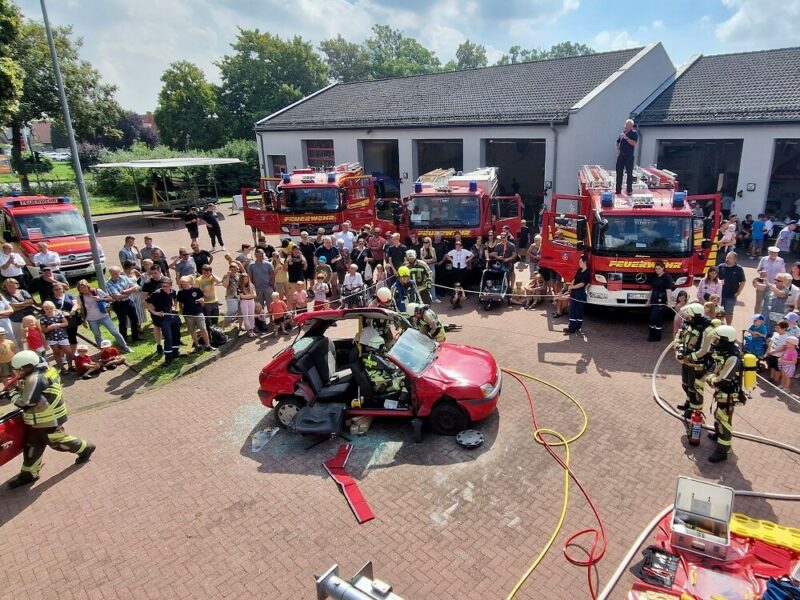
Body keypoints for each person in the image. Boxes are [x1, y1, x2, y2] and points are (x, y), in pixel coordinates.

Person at [6, 351, 95, 488]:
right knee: (32, 445)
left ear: (28, 366)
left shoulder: (35, 379)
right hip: (44, 417)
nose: (17, 372)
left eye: (20, 369)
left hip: (46, 419)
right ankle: (29, 474)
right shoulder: (46, 368)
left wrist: (11, 395)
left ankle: (86, 448)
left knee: (56, 442)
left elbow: (26, 403)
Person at [704, 325, 743, 463]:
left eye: (718, 339)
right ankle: (718, 434)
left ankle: (722, 450)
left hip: (728, 394)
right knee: (718, 416)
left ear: (726, 340)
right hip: (722, 393)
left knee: (725, 421)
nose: (716, 342)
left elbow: (723, 380)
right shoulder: (726, 352)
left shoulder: (733, 358)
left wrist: (710, 378)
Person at [675, 303, 715, 415]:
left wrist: (689, 357)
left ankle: (695, 410)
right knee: (686, 384)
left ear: (695, 315)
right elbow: (680, 335)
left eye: (688, 315)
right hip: (686, 361)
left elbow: (704, 349)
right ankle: (688, 403)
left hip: (697, 364)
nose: (686, 317)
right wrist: (679, 348)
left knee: (695, 388)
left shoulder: (706, 329)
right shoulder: (689, 324)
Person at [356, 326, 408, 404]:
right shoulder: (377, 358)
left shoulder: (367, 356)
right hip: (382, 386)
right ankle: (402, 404)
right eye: (382, 346)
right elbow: (391, 368)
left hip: (376, 384)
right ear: (379, 346)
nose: (383, 348)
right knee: (406, 381)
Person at [145, 277, 182, 364]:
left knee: (176, 335)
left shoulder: (172, 292)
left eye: (166, 286)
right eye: (163, 286)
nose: (164, 287)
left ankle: (175, 353)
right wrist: (154, 312)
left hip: (172, 315)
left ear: (171, 286)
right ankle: (168, 358)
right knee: (168, 338)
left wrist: (174, 307)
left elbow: (175, 299)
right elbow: (146, 302)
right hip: (164, 318)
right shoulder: (156, 293)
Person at [105, 266, 141, 344]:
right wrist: (129, 292)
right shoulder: (108, 283)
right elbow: (116, 297)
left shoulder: (125, 277)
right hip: (118, 304)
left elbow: (135, 287)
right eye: (113, 274)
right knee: (123, 322)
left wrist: (124, 291)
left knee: (135, 320)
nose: (115, 275)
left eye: (116, 273)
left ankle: (135, 337)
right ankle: (124, 340)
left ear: (119, 272)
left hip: (129, 301)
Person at [176, 276, 211, 351]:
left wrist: (202, 302)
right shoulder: (180, 292)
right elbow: (180, 304)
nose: (183, 285)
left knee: (203, 328)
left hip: (198, 312)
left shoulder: (196, 289)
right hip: (188, 314)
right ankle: (197, 345)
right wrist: (182, 313)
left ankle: (208, 345)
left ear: (189, 282)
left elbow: (202, 298)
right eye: (182, 284)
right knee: (192, 330)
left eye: (184, 283)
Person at [39, 300, 72, 373]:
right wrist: (50, 328)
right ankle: (62, 369)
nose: (49, 310)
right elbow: (43, 330)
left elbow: (66, 323)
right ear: (44, 309)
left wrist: (59, 325)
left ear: (53, 307)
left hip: (62, 335)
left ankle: (70, 366)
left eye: (50, 308)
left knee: (69, 352)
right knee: (56, 352)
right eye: (47, 309)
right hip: (51, 338)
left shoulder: (59, 314)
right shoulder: (43, 318)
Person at [647, 261, 674, 341]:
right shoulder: (655, 277)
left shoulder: (667, 277)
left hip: (661, 300)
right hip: (654, 299)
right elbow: (652, 289)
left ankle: (657, 336)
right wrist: (648, 300)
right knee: (652, 318)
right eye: (656, 269)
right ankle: (651, 335)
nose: (657, 270)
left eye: (659, 269)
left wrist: (669, 302)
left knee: (657, 318)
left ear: (663, 268)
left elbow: (668, 290)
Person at [563, 255, 590, 335]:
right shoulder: (579, 270)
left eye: (580, 262)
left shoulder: (587, 272)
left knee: (579, 310)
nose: (579, 263)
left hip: (580, 293)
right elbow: (574, 280)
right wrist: (570, 287)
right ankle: (571, 327)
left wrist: (572, 287)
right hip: (574, 292)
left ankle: (577, 327)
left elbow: (582, 284)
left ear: (584, 262)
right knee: (572, 309)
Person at [615, 119, 638, 195]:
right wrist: (618, 150)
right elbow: (617, 142)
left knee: (629, 173)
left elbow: (633, 143)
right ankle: (618, 190)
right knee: (619, 172)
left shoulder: (634, 133)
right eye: (625, 125)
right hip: (621, 155)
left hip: (629, 156)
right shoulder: (623, 133)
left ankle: (629, 190)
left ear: (631, 126)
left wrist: (626, 138)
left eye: (627, 125)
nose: (625, 127)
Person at [196, 264, 221, 329]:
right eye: (204, 272)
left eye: (207, 272)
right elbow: (196, 291)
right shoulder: (198, 280)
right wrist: (203, 294)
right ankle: (209, 335)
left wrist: (212, 275)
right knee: (208, 321)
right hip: (206, 303)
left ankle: (216, 333)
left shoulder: (212, 277)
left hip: (214, 301)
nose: (205, 274)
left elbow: (219, 281)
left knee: (215, 320)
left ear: (210, 272)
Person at [419, 236, 441, 301]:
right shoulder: (422, 249)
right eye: (424, 242)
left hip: (432, 266)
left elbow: (435, 259)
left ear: (429, 242)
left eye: (426, 242)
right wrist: (430, 260)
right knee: (425, 282)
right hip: (425, 267)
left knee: (432, 282)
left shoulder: (433, 249)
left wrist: (428, 260)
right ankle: (426, 298)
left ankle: (434, 298)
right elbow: (422, 260)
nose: (425, 243)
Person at [237, 273, 257, 338]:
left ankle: (252, 329)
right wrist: (250, 295)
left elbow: (254, 295)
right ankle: (248, 330)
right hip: (244, 302)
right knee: (246, 316)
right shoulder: (239, 286)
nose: (246, 280)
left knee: (251, 315)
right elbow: (242, 296)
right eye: (244, 279)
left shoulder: (251, 285)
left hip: (251, 301)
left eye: (246, 279)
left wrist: (248, 296)